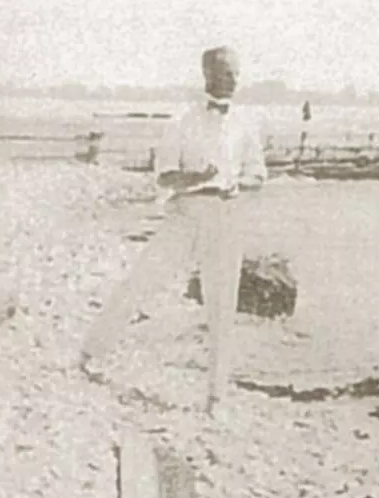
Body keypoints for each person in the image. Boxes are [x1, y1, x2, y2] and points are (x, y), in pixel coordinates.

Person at [80, 46, 266, 415]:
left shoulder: (245, 122)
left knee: (221, 306)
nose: (234, 81)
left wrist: (238, 184)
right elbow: (164, 176)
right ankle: (89, 354)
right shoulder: (182, 120)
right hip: (185, 213)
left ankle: (216, 396)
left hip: (227, 217)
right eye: (227, 73)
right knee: (140, 282)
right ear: (207, 74)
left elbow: (258, 175)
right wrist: (196, 178)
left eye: (237, 74)